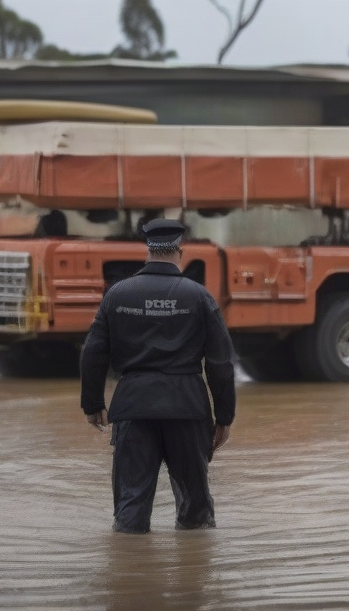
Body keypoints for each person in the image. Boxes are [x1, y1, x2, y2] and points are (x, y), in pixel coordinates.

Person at [80, 219, 236, 534]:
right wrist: (225, 417)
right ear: (180, 252)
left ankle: (131, 571)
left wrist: (92, 403)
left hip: (134, 408)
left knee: (130, 511)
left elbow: (93, 352)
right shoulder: (199, 296)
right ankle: (194, 572)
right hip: (187, 408)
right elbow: (220, 363)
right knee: (196, 512)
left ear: (148, 252)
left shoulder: (118, 295)